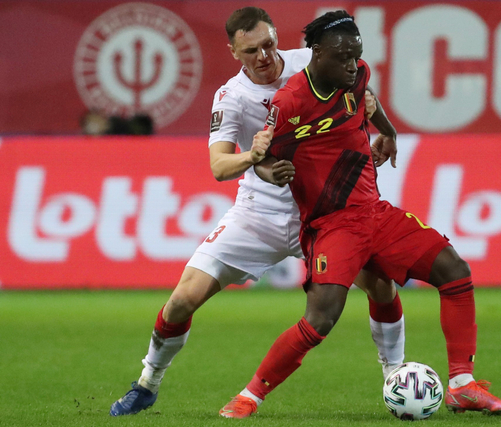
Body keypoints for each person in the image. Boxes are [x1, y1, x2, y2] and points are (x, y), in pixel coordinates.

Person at [219, 10, 501, 418]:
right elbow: (263, 157)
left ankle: (463, 385)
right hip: (331, 225)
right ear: (316, 54)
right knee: (320, 320)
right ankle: (249, 396)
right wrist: (275, 171)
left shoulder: (354, 74)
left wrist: (389, 132)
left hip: (375, 214)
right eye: (342, 56)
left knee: (455, 270)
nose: (352, 63)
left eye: (356, 54)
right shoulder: (288, 102)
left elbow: (367, 97)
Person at [109, 7, 405, 417]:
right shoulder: (231, 98)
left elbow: (364, 99)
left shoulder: (310, 62)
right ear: (234, 51)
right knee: (182, 300)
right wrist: (254, 156)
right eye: (252, 50)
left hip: (325, 212)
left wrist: (384, 130)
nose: (264, 56)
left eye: (268, 44)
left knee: (382, 284)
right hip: (259, 215)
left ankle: (396, 378)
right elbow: (218, 166)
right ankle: (147, 382)